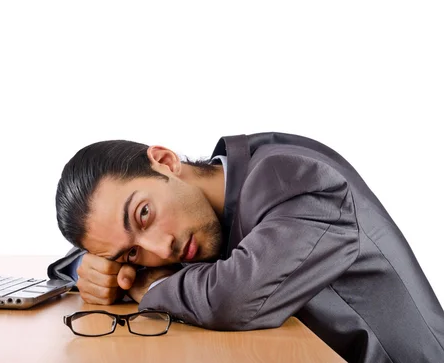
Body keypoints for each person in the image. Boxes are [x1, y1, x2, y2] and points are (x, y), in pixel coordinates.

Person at [50, 132, 444, 363]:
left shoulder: (292, 177)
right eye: (132, 254)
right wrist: (88, 266)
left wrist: (143, 285)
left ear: (165, 161)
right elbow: (76, 259)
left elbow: (233, 299)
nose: (161, 248)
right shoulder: (207, 208)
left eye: (144, 214)